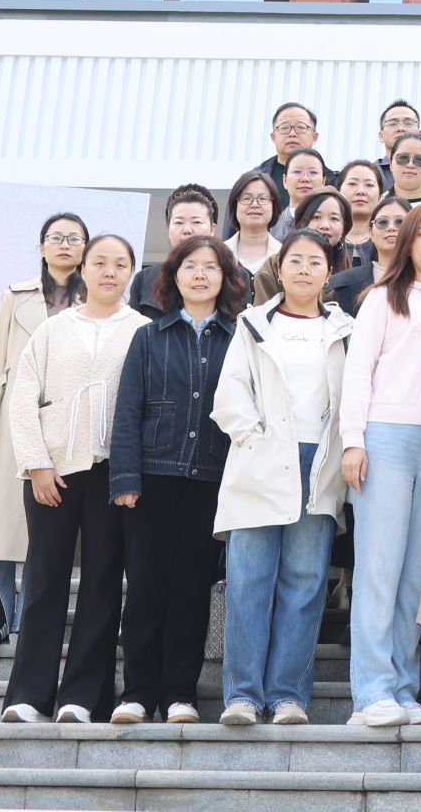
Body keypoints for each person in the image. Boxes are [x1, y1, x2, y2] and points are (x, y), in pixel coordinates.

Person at [209, 229, 358, 727]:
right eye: (295, 260)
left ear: (329, 272)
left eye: (315, 262)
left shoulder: (345, 329)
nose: (304, 269)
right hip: (261, 460)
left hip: (319, 464)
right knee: (249, 581)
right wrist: (254, 440)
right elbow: (231, 393)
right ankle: (243, 696)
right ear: (279, 267)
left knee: (305, 582)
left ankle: (288, 695)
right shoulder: (253, 324)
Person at [0, 234, 148, 724]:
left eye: (120, 264)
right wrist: (36, 463)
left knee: (103, 582)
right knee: (45, 578)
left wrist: (131, 473)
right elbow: (22, 397)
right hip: (53, 471)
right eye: (100, 262)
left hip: (112, 472)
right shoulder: (53, 329)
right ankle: (29, 694)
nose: (109, 271)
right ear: (84, 269)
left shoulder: (143, 331)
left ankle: (83, 697)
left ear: (130, 273)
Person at [106, 235, 244, 725]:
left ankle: (180, 694)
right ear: (174, 276)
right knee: (145, 587)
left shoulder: (239, 338)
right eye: (190, 266)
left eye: (211, 267)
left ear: (226, 278)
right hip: (153, 477)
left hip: (212, 479)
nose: (200, 275)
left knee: (191, 589)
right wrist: (125, 477)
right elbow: (128, 410)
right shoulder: (149, 336)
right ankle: (137, 693)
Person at [339, 201, 421, 727]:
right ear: (407, 242)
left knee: (416, 574)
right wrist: (353, 441)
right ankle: (370, 692)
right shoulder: (382, 298)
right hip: (384, 437)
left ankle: (403, 687)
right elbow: (357, 373)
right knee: (379, 567)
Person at [0, 213, 87, 650]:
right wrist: (13, 403)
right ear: (41, 247)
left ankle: (34, 615)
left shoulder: (94, 300)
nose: (65, 244)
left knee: (46, 525)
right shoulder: (16, 297)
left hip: (70, 422)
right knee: (2, 521)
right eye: (57, 237)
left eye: (74, 238)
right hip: (18, 418)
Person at [129, 185, 217, 318]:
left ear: (212, 229)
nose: (187, 230)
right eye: (179, 222)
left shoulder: (234, 276)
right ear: (168, 229)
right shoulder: (145, 279)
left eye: (196, 222)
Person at [256, 190, 354, 301]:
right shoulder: (273, 267)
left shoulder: (349, 273)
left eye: (334, 218)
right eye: (316, 217)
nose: (325, 225)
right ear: (303, 223)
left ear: (344, 228)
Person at [329, 196, 411, 315]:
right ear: (370, 232)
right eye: (382, 222)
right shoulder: (341, 284)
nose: (391, 228)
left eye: (400, 222)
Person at [255, 102, 334, 206]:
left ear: (314, 137)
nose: (292, 134)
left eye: (301, 127)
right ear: (273, 137)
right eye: (284, 128)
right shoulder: (254, 179)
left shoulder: (335, 182)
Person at [225, 170, 285, 280]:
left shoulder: (284, 255)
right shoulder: (219, 253)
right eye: (247, 198)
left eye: (262, 198)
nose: (254, 205)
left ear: (274, 206)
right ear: (235, 205)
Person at [270, 148, 332, 240]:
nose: (305, 179)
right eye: (297, 172)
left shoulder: (332, 226)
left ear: (323, 181)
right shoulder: (271, 226)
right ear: (284, 180)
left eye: (313, 172)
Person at [339, 160, 387, 266]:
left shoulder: (389, 242)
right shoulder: (327, 239)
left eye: (369, 185)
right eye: (352, 184)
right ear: (339, 192)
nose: (360, 191)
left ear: (380, 197)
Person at [375, 101, 421, 191]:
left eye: (408, 123)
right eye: (393, 123)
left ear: (419, 134)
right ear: (381, 136)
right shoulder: (366, 173)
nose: (401, 129)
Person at [388, 133, 421, 204]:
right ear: (390, 164)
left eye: (420, 159)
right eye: (403, 158)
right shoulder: (376, 204)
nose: (410, 165)